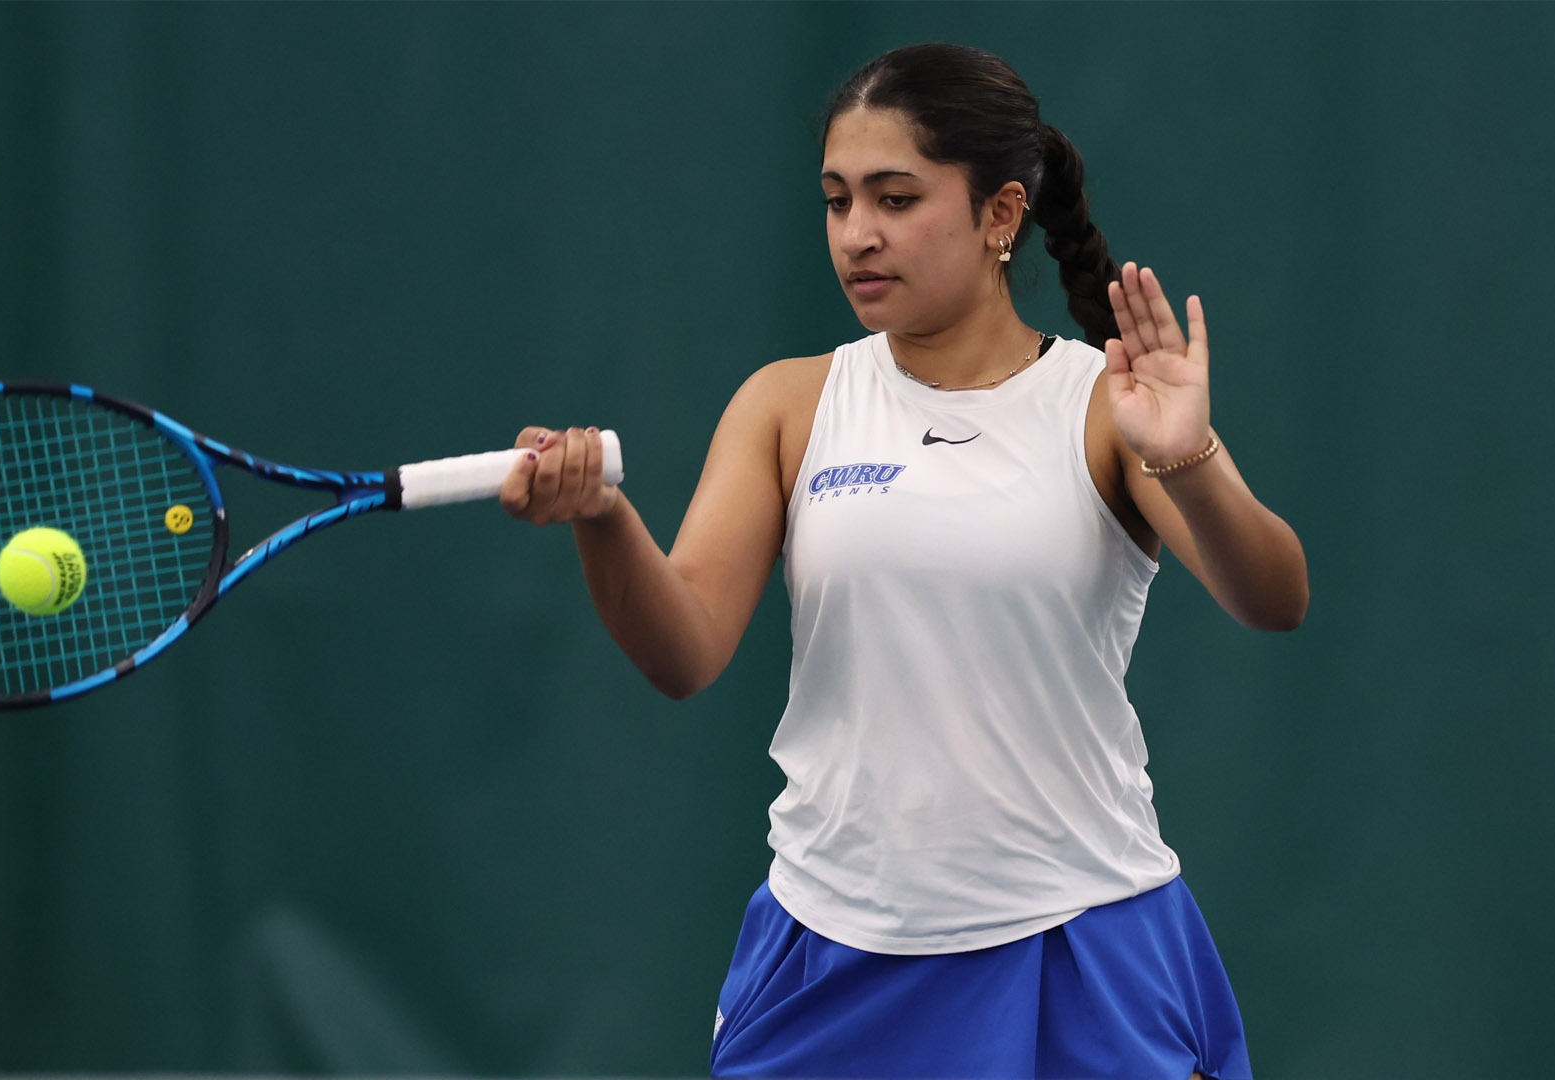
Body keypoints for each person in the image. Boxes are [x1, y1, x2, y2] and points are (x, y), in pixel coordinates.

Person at [498, 43, 1307, 1080]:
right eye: (837, 201)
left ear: (1001, 214)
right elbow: (684, 650)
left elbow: (1275, 596)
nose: (856, 235)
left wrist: (1186, 458)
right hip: (830, 952)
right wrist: (601, 516)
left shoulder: (1109, 406)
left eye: (895, 197)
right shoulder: (788, 405)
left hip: (1081, 946)